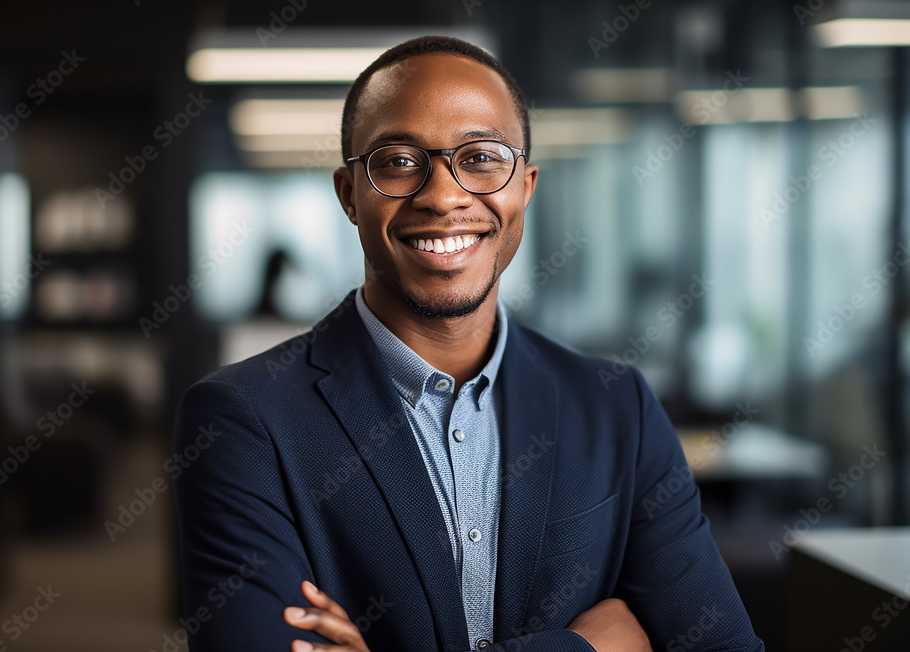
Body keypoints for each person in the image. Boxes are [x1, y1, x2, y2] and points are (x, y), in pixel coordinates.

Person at [173, 35, 765, 652]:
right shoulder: (242, 418)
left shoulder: (617, 406)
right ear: (350, 194)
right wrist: (589, 645)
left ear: (525, 189)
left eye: (481, 157)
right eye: (398, 161)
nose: (443, 194)